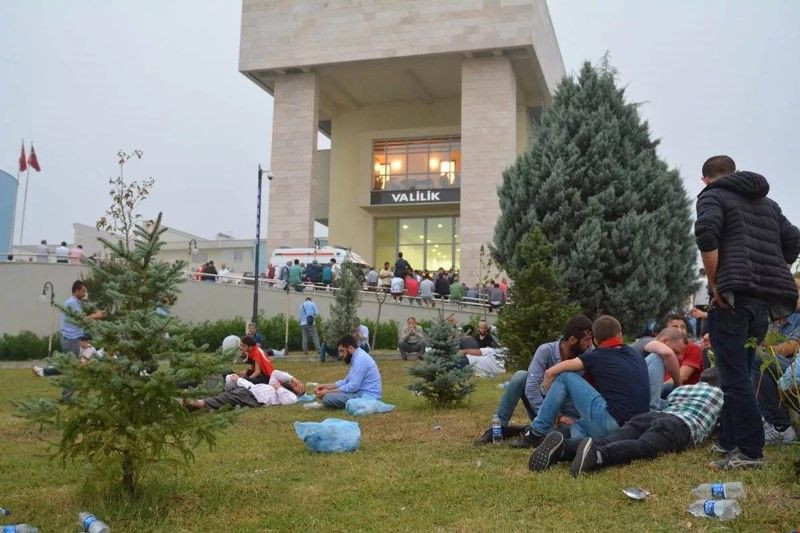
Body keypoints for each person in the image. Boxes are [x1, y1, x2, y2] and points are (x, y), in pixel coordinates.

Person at [695, 155, 800, 469]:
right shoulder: (766, 204)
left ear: (705, 179)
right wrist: (773, 270)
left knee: (734, 375)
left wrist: (715, 283)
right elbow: (794, 239)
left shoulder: (712, 196)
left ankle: (751, 452)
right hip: (760, 302)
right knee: (740, 369)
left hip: (731, 297)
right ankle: (728, 440)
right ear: (733, 173)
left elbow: (706, 233)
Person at [529, 369, 724, 476]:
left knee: (609, 438)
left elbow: (668, 403)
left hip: (650, 416)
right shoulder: (723, 396)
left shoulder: (683, 390)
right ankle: (597, 457)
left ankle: (564, 448)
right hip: (678, 425)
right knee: (644, 446)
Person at [510, 315, 650, 448]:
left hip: (613, 423)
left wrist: (547, 385)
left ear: (595, 340)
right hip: (636, 428)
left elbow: (553, 371)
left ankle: (535, 433)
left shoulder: (596, 356)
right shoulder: (636, 356)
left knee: (565, 376)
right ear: (620, 334)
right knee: (578, 425)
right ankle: (576, 447)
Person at [474, 315, 594, 445]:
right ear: (572, 340)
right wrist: (552, 416)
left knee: (559, 437)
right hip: (544, 412)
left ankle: (527, 431)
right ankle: (498, 428)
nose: (590, 344)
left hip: (571, 418)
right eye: (587, 340)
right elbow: (531, 387)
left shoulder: (590, 355)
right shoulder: (546, 351)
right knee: (521, 376)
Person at [314, 335, 382, 408]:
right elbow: (346, 381)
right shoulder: (357, 357)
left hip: (367, 397)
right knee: (328, 395)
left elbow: (353, 386)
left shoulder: (360, 359)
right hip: (361, 393)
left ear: (350, 348)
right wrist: (325, 386)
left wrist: (327, 392)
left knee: (328, 398)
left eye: (342, 351)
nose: (340, 355)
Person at [186, 369, 306, 410]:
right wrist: (292, 378)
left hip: (250, 397)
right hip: (246, 388)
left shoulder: (292, 397)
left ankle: (185, 402)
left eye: (299, 387)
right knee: (226, 379)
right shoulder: (278, 385)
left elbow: (287, 401)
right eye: (297, 383)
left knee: (218, 399)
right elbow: (274, 373)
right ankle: (191, 397)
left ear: (299, 394)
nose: (296, 385)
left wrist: (279, 386)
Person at [60, 280, 106, 356]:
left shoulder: (77, 302)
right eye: (83, 291)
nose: (84, 294)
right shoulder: (72, 302)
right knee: (73, 364)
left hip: (74, 338)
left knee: (76, 362)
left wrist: (98, 314)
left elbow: (83, 318)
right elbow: (82, 319)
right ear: (76, 290)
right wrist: (97, 315)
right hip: (70, 339)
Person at [33, 335, 101, 377]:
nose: (79, 343)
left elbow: (83, 362)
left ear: (85, 341)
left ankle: (43, 372)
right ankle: (44, 371)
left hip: (90, 370)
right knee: (65, 366)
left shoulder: (90, 349)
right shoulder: (80, 348)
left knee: (66, 368)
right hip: (81, 367)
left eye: (80, 342)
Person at [690, 268, 710, 336]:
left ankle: (698, 335)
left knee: (698, 319)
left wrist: (693, 304)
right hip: (707, 302)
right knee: (706, 318)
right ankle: (706, 334)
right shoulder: (708, 280)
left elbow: (694, 293)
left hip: (698, 302)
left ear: (699, 273)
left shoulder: (696, 281)